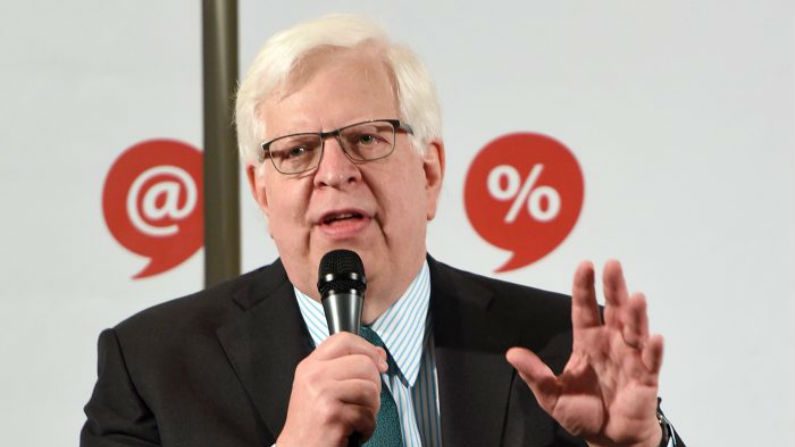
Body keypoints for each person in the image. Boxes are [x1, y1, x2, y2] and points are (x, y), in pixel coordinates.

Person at [81, 14, 684, 447]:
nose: (334, 174)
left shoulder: (559, 350)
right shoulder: (154, 366)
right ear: (262, 193)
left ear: (430, 171)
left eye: (367, 138)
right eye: (295, 151)